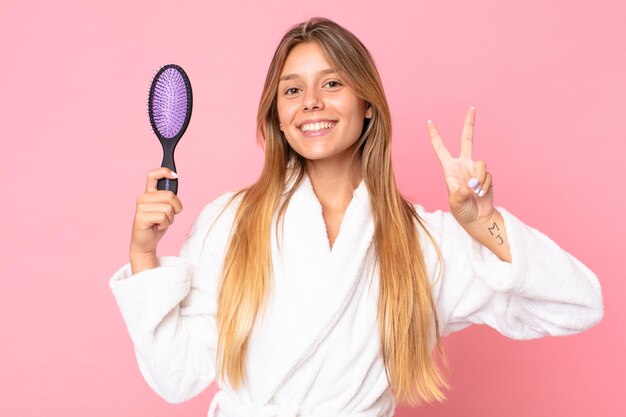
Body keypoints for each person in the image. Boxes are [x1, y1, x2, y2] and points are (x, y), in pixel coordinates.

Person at [109, 17, 604, 417]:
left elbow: (578, 304)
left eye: (332, 83)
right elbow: (177, 376)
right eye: (292, 91)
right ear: (277, 114)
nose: (312, 104)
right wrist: (144, 255)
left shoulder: (422, 244)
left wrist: (485, 226)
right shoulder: (229, 222)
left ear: (366, 103)